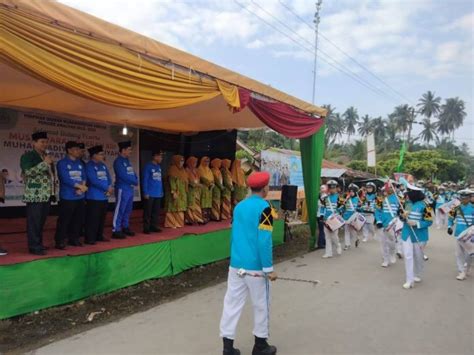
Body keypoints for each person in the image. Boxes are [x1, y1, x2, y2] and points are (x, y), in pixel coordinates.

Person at [219, 171, 277, 355]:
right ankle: (260, 346)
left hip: (236, 264)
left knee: (231, 304)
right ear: (265, 188)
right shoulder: (265, 208)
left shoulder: (239, 207)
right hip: (256, 268)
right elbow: (264, 240)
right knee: (261, 304)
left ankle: (227, 348)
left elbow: (234, 234)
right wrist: (268, 268)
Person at [20, 132, 55, 255]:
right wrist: (45, 163)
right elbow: (28, 172)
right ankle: (34, 246)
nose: (45, 144)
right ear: (34, 143)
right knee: (34, 222)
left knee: (41, 221)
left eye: (46, 142)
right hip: (35, 194)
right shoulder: (28, 156)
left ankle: (39, 244)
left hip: (46, 194)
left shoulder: (46, 156)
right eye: (42, 142)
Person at [399, 182, 433, 289]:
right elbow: (401, 217)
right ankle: (409, 280)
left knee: (418, 257)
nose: (408, 195)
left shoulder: (425, 205)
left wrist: (417, 223)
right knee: (408, 256)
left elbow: (429, 221)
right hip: (406, 233)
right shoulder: (406, 204)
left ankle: (417, 273)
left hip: (419, 236)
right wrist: (403, 216)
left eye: (410, 193)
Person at [54, 141, 88, 249]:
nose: (79, 151)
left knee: (78, 219)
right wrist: (78, 187)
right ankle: (60, 240)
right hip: (67, 196)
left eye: (79, 149)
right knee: (64, 220)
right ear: (69, 150)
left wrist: (82, 189)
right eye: (76, 149)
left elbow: (84, 177)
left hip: (80, 196)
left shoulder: (79, 163)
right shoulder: (62, 163)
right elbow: (65, 179)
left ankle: (74, 239)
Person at [85, 145, 113, 244]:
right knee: (93, 219)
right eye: (101, 154)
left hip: (104, 196)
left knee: (102, 218)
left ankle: (99, 235)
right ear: (94, 155)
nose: (103, 156)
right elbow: (93, 181)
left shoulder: (103, 165)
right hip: (94, 197)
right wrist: (107, 188)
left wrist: (110, 187)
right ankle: (90, 238)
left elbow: (109, 177)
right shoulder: (89, 166)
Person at [112, 141, 138, 239]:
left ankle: (125, 227)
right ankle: (116, 229)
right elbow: (123, 175)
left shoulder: (127, 161)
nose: (130, 151)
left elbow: (133, 173)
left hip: (129, 188)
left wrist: (135, 180)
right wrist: (134, 181)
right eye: (129, 150)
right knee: (120, 209)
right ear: (123, 150)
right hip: (122, 188)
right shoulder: (118, 161)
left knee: (128, 209)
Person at [447, 189, 473, 281]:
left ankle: (467, 268)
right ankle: (461, 271)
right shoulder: (455, 208)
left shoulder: (473, 208)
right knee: (458, 254)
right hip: (458, 234)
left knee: (469, 254)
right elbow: (450, 218)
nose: (463, 200)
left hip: (469, 236)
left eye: (466, 198)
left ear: (470, 198)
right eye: (462, 198)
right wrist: (449, 227)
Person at [375, 183, 400, 268]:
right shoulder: (380, 199)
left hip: (393, 223)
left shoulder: (398, 199)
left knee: (392, 241)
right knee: (383, 242)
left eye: (390, 188)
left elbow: (401, 211)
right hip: (382, 223)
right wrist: (378, 221)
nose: (388, 190)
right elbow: (377, 211)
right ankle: (386, 259)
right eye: (386, 188)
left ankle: (392, 253)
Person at [142, 151, 164, 234]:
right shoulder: (148, 166)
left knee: (156, 211)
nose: (161, 158)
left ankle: (153, 226)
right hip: (150, 193)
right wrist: (145, 192)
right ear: (155, 156)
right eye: (160, 156)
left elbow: (160, 180)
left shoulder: (159, 167)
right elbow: (145, 180)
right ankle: (146, 227)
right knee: (148, 211)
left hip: (158, 193)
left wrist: (161, 191)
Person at [320, 180, 343, 258]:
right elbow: (323, 208)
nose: (332, 189)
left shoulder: (339, 197)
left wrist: (338, 213)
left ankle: (338, 245)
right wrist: (321, 215)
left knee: (334, 236)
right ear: (328, 188)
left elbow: (341, 208)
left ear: (336, 188)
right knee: (327, 236)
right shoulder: (325, 197)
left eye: (333, 188)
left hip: (335, 219)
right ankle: (328, 253)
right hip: (326, 219)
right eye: (330, 188)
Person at [164, 155, 188, 229]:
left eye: (183, 161)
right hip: (174, 192)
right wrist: (173, 192)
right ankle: (171, 223)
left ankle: (179, 223)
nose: (182, 162)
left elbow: (185, 181)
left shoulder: (183, 170)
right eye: (180, 161)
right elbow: (172, 181)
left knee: (180, 208)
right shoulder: (173, 169)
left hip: (182, 192)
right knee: (173, 208)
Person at [341, 183, 361, 250]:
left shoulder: (357, 199)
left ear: (355, 192)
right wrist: (345, 201)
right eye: (350, 191)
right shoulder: (346, 199)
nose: (351, 193)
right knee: (347, 230)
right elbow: (343, 207)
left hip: (353, 216)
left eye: (353, 191)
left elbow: (360, 207)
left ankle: (356, 238)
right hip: (346, 216)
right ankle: (347, 244)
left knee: (352, 230)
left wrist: (360, 205)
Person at [185, 156, 204, 225]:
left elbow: (198, 179)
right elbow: (188, 181)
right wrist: (196, 185)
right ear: (190, 163)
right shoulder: (186, 170)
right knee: (190, 205)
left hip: (197, 191)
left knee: (197, 205)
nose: (195, 164)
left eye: (196, 162)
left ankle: (198, 218)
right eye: (194, 162)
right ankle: (190, 220)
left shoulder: (196, 170)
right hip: (190, 190)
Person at [198, 156, 214, 223]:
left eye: (208, 161)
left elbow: (212, 177)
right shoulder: (200, 169)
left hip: (209, 189)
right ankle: (202, 218)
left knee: (208, 203)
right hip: (204, 188)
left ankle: (207, 217)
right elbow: (202, 178)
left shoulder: (209, 169)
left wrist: (213, 183)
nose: (207, 163)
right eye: (205, 161)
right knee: (203, 203)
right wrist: (209, 183)